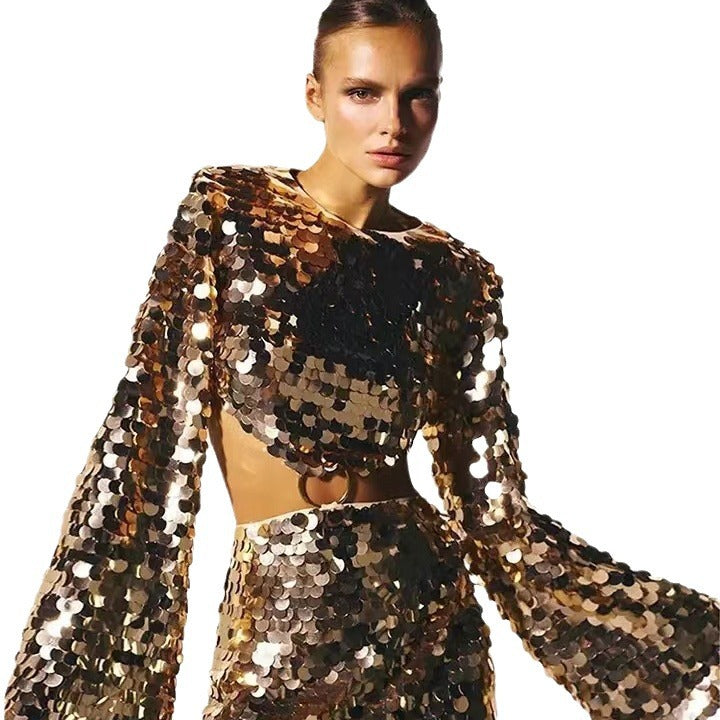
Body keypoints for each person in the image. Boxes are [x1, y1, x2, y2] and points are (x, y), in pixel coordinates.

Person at [4, 1, 719, 718]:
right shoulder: (229, 212)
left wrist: (681, 644)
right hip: (280, 614)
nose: (393, 123)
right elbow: (146, 431)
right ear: (315, 96)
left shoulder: (455, 276)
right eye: (363, 92)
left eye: (417, 95)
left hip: (426, 619)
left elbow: (496, 512)